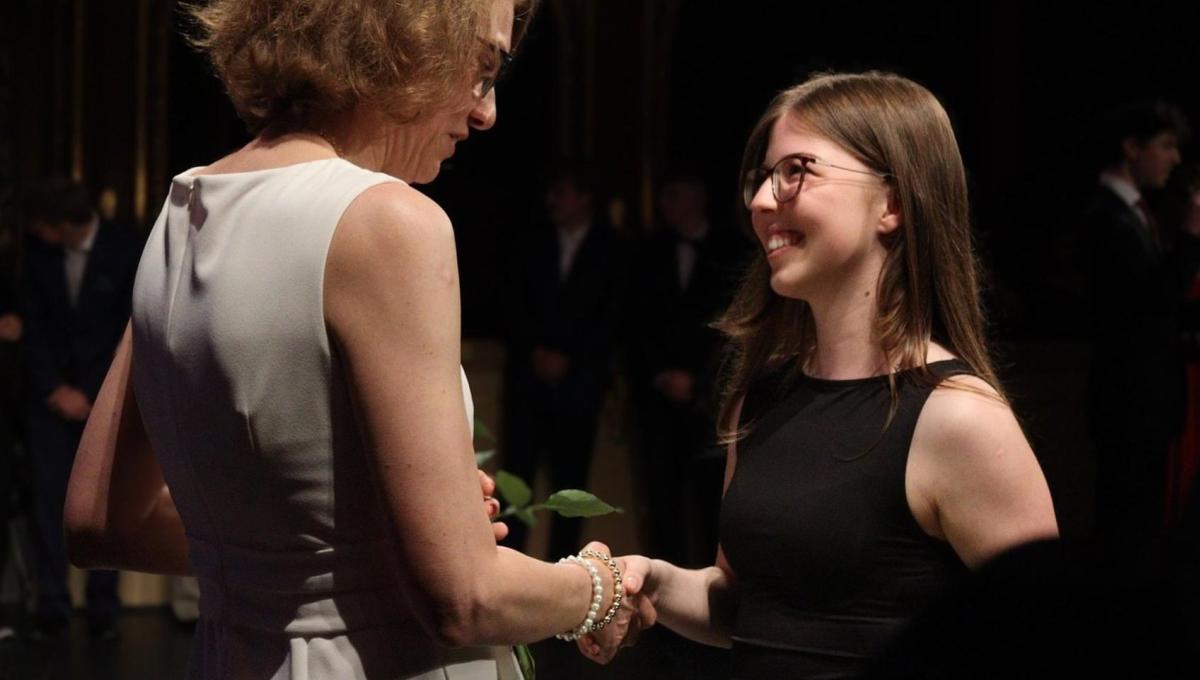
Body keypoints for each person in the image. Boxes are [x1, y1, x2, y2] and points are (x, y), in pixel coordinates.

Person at [61, 1, 646, 678]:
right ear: (407, 35)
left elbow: (101, 522)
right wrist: (603, 588)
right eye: (482, 67)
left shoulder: (183, 212)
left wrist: (342, 542)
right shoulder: (387, 221)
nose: (487, 111)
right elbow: (466, 598)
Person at [579, 71, 1059, 678]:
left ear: (892, 204)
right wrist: (652, 580)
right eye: (761, 178)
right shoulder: (762, 397)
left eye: (796, 171)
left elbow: (1052, 637)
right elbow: (749, 605)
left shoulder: (958, 416)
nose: (760, 201)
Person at [20, 179, 141, 640]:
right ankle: (51, 604)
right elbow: (32, 326)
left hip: (104, 397)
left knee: (105, 505)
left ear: (65, 225)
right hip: (49, 400)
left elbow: (133, 326)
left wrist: (96, 395)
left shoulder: (125, 247)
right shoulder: (38, 255)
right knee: (47, 502)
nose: (36, 232)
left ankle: (102, 609)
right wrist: (55, 389)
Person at [1084, 101, 1197, 555]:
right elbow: (1152, 302)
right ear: (1132, 147)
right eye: (1165, 145)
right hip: (1128, 402)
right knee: (1125, 530)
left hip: (1146, 403)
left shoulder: (1135, 211)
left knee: (1142, 523)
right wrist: (1191, 236)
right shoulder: (1105, 214)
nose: (1174, 158)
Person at [501, 162, 626, 560]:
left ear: (585, 197)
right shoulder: (531, 241)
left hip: (578, 387)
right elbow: (513, 304)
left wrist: (571, 359)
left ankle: (562, 580)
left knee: (570, 489)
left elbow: (615, 316)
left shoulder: (612, 247)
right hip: (528, 384)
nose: (552, 200)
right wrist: (536, 352)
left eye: (562, 192)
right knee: (515, 487)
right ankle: (509, 574)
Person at [627, 169, 744, 566]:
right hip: (659, 403)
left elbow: (734, 329)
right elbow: (636, 324)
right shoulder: (648, 252)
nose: (665, 205)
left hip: (713, 405)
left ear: (698, 195)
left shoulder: (735, 250)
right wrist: (662, 375)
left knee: (714, 506)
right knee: (663, 506)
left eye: (674, 194)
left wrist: (700, 384)